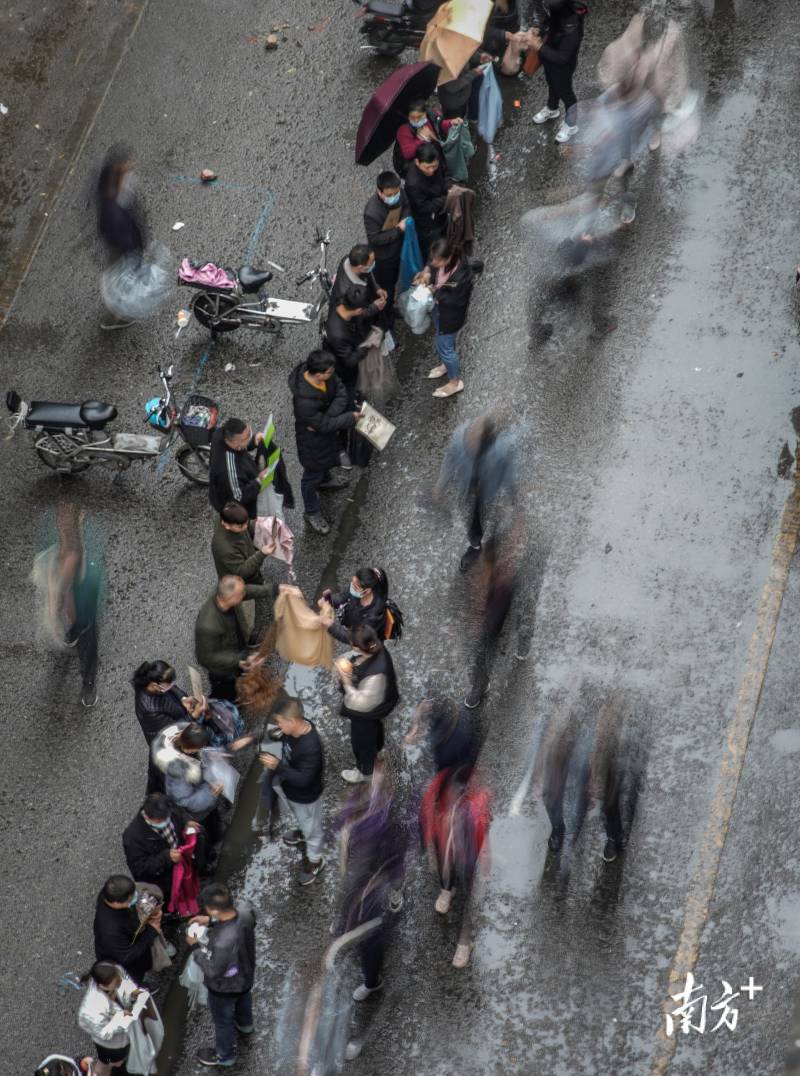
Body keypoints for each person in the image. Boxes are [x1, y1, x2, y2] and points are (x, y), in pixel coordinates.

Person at [420, 765, 491, 968]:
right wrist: (431, 847)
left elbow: (482, 836)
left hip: (468, 853)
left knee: (469, 895)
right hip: (445, 846)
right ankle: (447, 889)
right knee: (445, 867)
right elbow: (426, 819)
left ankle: (465, 941)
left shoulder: (476, 806)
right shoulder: (436, 793)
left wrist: (484, 857)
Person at [34, 500, 103, 708]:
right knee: (77, 626)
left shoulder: (85, 565)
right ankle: (73, 631)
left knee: (88, 639)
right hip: (71, 595)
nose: (61, 522)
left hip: (83, 606)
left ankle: (88, 682)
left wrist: (58, 603)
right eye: (60, 517)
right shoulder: (61, 544)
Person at [288, 349, 360, 536]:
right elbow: (324, 425)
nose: (332, 374)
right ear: (318, 374)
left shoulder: (327, 375)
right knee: (311, 476)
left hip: (325, 435)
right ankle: (311, 512)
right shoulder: (303, 402)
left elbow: (341, 391)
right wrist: (348, 417)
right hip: (312, 443)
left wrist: (327, 416)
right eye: (329, 372)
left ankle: (326, 480)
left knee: (327, 460)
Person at [436, 413, 518, 572]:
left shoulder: (500, 450)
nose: (470, 439)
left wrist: (513, 497)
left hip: (489, 486)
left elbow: (508, 473)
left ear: (487, 440)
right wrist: (441, 484)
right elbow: (450, 458)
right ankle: (475, 544)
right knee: (472, 514)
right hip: (468, 485)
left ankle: (490, 540)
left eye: (475, 438)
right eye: (471, 434)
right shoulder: (461, 437)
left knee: (490, 513)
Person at [257, 697, 326, 885]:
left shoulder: (310, 748)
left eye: (280, 722)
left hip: (306, 797)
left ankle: (315, 860)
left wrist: (278, 766)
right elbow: (282, 735)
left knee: (313, 829)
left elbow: (304, 780)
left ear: (293, 721)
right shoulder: (297, 729)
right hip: (293, 792)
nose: (277, 725)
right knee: (304, 822)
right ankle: (303, 833)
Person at [187, 884, 257, 1069]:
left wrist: (195, 947)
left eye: (208, 909)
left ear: (215, 909)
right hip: (246, 976)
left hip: (224, 988)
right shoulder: (245, 911)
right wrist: (210, 920)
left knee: (223, 1022)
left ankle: (225, 1055)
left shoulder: (222, 942)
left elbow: (212, 970)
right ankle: (246, 1025)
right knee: (244, 1000)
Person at [335, 624, 399, 784]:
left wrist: (346, 681)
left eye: (352, 645)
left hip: (368, 712)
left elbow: (360, 703)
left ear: (357, 647)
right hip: (381, 704)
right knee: (375, 731)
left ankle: (365, 772)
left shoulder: (375, 676)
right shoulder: (376, 647)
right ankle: (377, 750)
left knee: (361, 742)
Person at [194, 575, 273, 699]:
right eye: (241, 593)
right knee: (225, 692)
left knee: (239, 677)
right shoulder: (207, 626)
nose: (245, 594)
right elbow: (205, 658)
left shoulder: (223, 596)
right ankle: (222, 707)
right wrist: (238, 661)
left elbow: (247, 591)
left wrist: (274, 589)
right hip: (222, 671)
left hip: (235, 650)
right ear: (231, 598)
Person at [415, 237, 475, 398]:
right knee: (442, 340)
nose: (434, 262)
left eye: (438, 261)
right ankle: (445, 365)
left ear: (449, 258)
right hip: (438, 309)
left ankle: (455, 382)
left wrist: (434, 292)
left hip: (450, 315)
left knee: (445, 347)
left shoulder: (462, 276)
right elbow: (431, 264)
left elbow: (457, 301)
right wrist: (426, 271)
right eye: (432, 258)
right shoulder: (440, 259)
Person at [208, 416, 293, 520]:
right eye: (245, 439)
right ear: (234, 443)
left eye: (249, 434)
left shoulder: (221, 433)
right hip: (234, 506)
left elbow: (242, 446)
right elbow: (239, 497)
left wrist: (253, 441)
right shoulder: (229, 471)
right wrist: (258, 481)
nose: (248, 438)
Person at [211, 502, 277, 636]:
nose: (245, 527)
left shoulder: (234, 519)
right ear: (226, 524)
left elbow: (247, 526)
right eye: (241, 525)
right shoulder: (224, 548)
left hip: (248, 564)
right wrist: (262, 553)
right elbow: (241, 572)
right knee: (242, 617)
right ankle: (247, 636)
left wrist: (259, 526)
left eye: (246, 522)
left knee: (258, 586)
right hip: (238, 583)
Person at [96, 145, 143, 330]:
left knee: (120, 276)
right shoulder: (112, 206)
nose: (132, 164)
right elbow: (119, 233)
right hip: (122, 244)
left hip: (125, 237)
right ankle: (116, 316)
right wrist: (134, 249)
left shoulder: (116, 183)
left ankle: (119, 310)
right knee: (120, 277)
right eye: (127, 163)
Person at [529, 0, 588, 143]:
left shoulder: (572, 28)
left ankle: (571, 125)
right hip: (549, 61)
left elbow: (562, 58)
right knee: (552, 83)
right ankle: (552, 108)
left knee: (566, 92)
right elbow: (549, 22)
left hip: (563, 67)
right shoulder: (557, 12)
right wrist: (539, 29)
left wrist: (540, 47)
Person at [132, 660, 193, 794]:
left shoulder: (157, 684)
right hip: (167, 743)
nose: (171, 685)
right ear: (155, 685)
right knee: (164, 773)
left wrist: (182, 699)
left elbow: (173, 688)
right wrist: (192, 716)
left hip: (172, 734)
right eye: (168, 684)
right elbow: (171, 731)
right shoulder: (149, 708)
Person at [76, 962, 144, 1076]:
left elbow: (124, 988)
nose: (120, 983)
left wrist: (132, 996)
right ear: (102, 985)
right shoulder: (93, 1007)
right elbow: (104, 1033)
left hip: (121, 1039)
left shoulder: (115, 972)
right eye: (116, 983)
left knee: (116, 1062)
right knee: (108, 1063)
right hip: (110, 1045)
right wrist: (122, 1018)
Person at [93, 875, 162, 984]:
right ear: (116, 903)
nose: (136, 897)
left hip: (125, 940)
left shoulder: (108, 894)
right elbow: (127, 956)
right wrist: (151, 931)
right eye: (130, 899)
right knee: (134, 979)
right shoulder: (110, 931)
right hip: (123, 963)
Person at [122, 793, 192, 899]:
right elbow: (139, 869)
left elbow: (180, 812)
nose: (166, 822)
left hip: (181, 864)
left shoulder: (166, 807)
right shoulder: (132, 837)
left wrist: (187, 820)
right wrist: (166, 858)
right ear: (146, 815)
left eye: (167, 818)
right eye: (160, 821)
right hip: (164, 880)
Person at [363, 171, 410, 324]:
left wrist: (404, 220)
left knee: (395, 280)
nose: (395, 196)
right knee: (386, 288)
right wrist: (398, 230)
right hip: (384, 257)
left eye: (396, 193)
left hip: (399, 249)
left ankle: (389, 309)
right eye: (390, 194)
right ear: (380, 192)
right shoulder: (372, 212)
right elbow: (374, 238)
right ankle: (384, 317)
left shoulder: (399, 192)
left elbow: (406, 205)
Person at [319, 567, 389, 645]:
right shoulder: (356, 586)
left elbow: (355, 639)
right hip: (353, 624)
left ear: (367, 591)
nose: (351, 587)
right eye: (352, 583)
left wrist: (331, 626)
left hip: (366, 643)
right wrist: (329, 600)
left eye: (355, 587)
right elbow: (342, 597)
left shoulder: (374, 614)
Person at [404, 144, 451, 260]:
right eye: (427, 167)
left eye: (434, 166)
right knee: (433, 252)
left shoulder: (437, 163)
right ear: (417, 162)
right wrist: (445, 199)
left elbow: (446, 174)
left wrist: (449, 187)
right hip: (428, 225)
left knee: (447, 242)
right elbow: (423, 207)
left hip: (442, 214)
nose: (431, 170)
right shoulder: (413, 183)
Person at [394, 100, 454, 173]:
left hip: (435, 158)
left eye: (419, 117)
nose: (416, 120)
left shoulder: (430, 116)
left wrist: (451, 123)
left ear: (425, 113)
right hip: (418, 166)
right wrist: (422, 139)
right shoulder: (403, 130)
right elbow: (408, 153)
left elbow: (440, 124)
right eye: (413, 117)